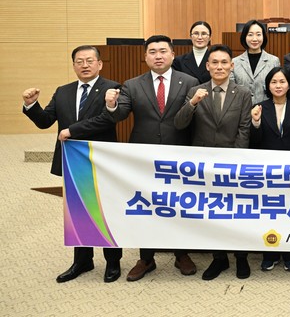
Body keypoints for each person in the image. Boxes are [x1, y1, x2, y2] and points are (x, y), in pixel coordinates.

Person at [22, 45, 122, 283]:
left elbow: (107, 120)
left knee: (106, 212)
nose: (84, 65)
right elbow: (45, 121)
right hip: (72, 161)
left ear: (99, 64)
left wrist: (72, 130)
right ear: (74, 65)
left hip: (101, 159)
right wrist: (31, 105)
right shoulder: (63, 91)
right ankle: (83, 261)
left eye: (89, 60)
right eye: (79, 61)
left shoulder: (112, 88)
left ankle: (113, 262)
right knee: (78, 212)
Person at [105, 34, 200, 282]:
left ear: (172, 55)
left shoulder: (189, 82)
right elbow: (120, 115)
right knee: (145, 207)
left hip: (179, 154)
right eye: (153, 52)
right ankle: (146, 258)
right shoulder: (132, 84)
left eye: (163, 51)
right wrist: (112, 105)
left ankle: (181, 254)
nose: (158, 56)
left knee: (180, 205)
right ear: (145, 57)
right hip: (143, 157)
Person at [174, 44, 253, 281]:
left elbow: (244, 128)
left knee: (237, 212)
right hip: (204, 165)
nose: (219, 67)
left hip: (233, 162)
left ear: (232, 66)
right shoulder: (195, 91)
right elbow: (179, 124)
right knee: (213, 213)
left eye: (224, 62)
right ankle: (219, 258)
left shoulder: (243, 93)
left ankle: (241, 257)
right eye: (215, 63)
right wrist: (192, 103)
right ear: (208, 66)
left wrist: (235, 161)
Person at [250, 67, 290, 272]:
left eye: (282, 81)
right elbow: (254, 142)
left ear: (289, 85)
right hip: (267, 171)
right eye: (274, 82)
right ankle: (270, 253)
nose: (278, 85)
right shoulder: (259, 107)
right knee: (269, 213)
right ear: (268, 85)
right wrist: (256, 122)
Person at [231, 19, 281, 104]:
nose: (254, 39)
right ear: (244, 37)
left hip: (266, 109)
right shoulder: (235, 62)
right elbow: (232, 90)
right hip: (241, 109)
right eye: (250, 35)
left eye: (258, 34)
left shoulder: (273, 61)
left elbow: (277, 88)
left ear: (263, 37)